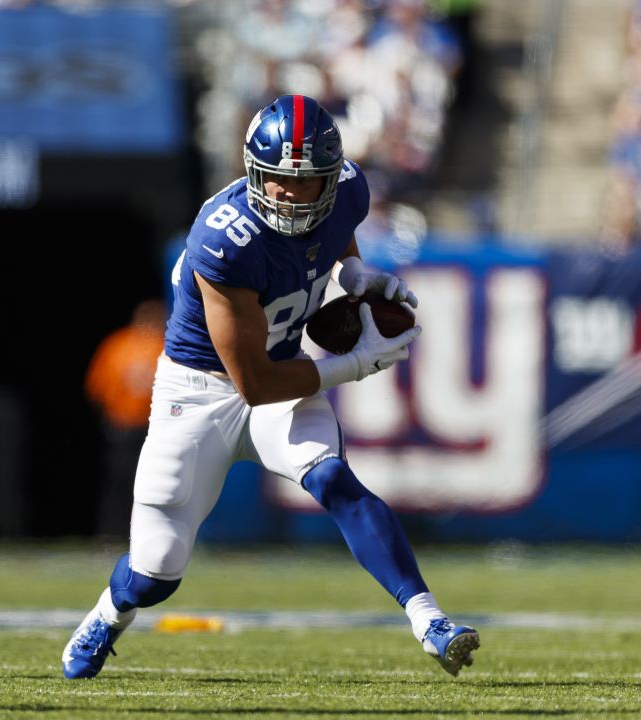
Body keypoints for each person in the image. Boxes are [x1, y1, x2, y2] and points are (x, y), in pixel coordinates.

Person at [61, 95, 480, 680]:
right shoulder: (224, 239)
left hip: (282, 373)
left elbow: (335, 236)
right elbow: (252, 383)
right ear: (253, 172)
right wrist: (355, 364)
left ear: (330, 180)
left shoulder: (347, 193)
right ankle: (109, 614)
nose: (286, 193)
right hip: (201, 391)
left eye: (303, 183)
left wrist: (351, 271)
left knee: (333, 477)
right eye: (277, 179)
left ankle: (430, 620)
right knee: (156, 570)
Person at [84, 299, 167, 537]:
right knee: (119, 483)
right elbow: (97, 386)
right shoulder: (119, 344)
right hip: (123, 426)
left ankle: (144, 536)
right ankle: (110, 536)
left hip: (153, 429)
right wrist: (112, 418)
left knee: (152, 485)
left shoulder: (166, 346)